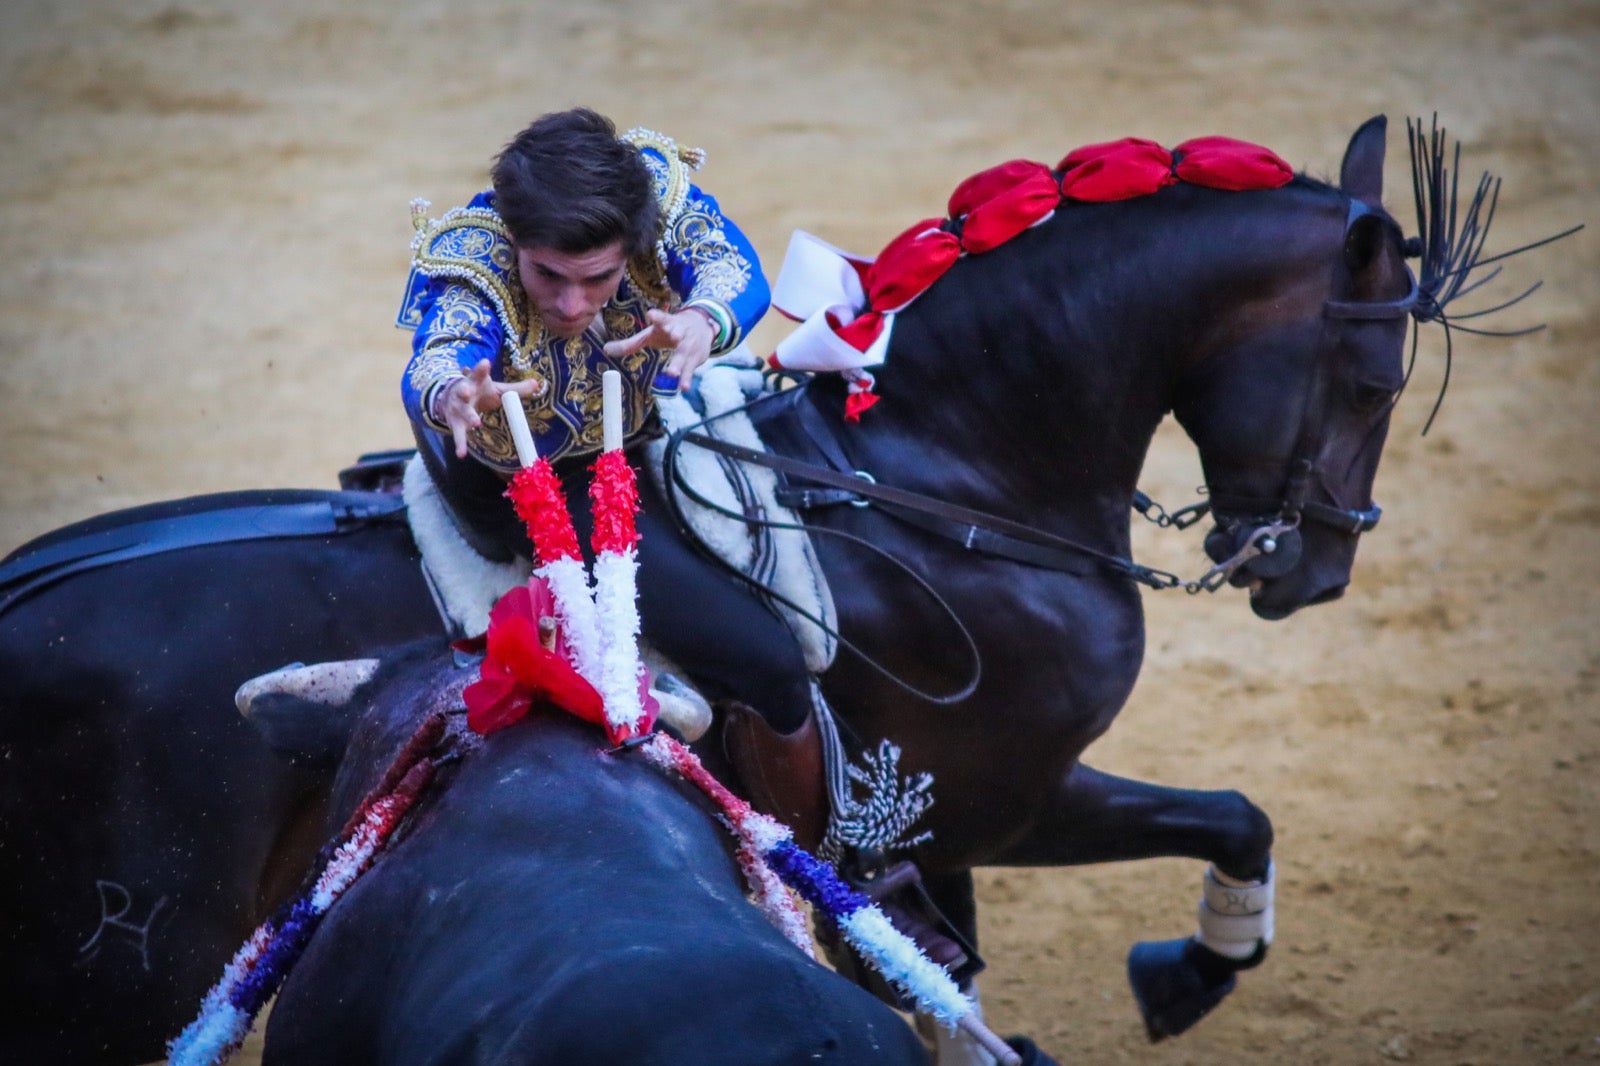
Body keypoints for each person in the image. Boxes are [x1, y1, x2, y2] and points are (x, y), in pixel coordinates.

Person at [398, 107, 812, 736]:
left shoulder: (653, 198)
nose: (570, 304)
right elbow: (446, 344)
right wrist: (451, 392)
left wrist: (703, 316)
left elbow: (730, 268)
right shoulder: (477, 258)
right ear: (512, 240)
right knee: (770, 664)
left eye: (599, 279)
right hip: (522, 478)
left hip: (636, 429)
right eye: (547, 275)